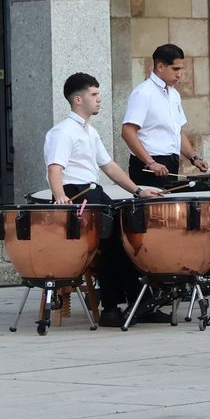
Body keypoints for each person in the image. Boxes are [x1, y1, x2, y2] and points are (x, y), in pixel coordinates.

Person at [44, 73, 166, 326]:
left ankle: (139, 302)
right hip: (78, 195)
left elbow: (109, 166)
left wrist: (138, 191)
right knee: (112, 243)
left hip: (94, 192)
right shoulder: (63, 132)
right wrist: (60, 197)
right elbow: (55, 168)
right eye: (94, 95)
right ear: (78, 99)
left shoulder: (90, 131)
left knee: (130, 233)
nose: (99, 99)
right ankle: (111, 307)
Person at [121, 44, 207, 186]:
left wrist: (194, 157)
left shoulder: (174, 94)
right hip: (148, 166)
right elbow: (127, 131)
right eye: (175, 69)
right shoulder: (143, 93)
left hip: (170, 163)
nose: (179, 74)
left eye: (181, 69)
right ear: (160, 67)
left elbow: (177, 131)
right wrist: (150, 162)